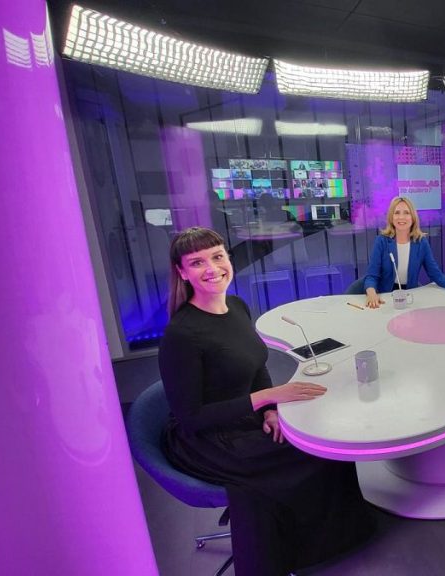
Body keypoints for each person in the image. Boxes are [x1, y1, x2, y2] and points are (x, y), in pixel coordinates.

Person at [159, 227, 374, 576]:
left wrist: (271, 411)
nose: (212, 268)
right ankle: (293, 552)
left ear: (228, 258)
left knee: (326, 444)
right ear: (182, 272)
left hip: (245, 417)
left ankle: (334, 540)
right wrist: (268, 397)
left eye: (217, 256)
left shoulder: (237, 306)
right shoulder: (181, 336)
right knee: (311, 454)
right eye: (197, 262)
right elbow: (191, 418)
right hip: (207, 439)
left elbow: (256, 364)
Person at [363, 196, 445, 308]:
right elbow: (371, 276)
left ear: (413, 218)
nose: (401, 217)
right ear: (391, 217)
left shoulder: (421, 242)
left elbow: (436, 274)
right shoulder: (382, 241)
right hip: (386, 298)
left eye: (406, 213)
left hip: (410, 297)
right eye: (397, 213)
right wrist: (372, 293)